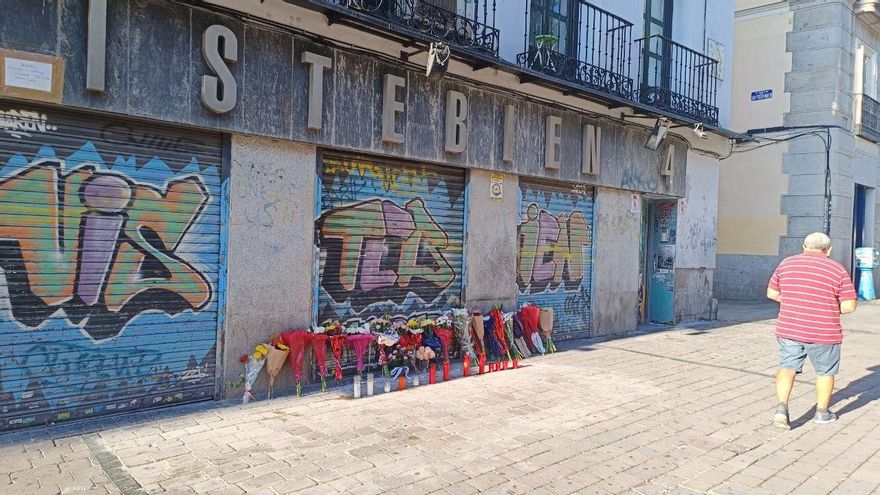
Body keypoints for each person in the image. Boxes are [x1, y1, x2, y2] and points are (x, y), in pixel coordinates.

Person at [766, 232, 857, 429]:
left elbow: (772, 293)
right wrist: (829, 307)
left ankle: (781, 409)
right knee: (824, 372)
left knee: (787, 366)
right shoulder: (837, 269)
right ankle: (822, 413)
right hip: (824, 331)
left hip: (790, 328)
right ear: (828, 250)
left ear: (804, 247)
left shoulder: (787, 264)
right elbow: (849, 305)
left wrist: (792, 301)